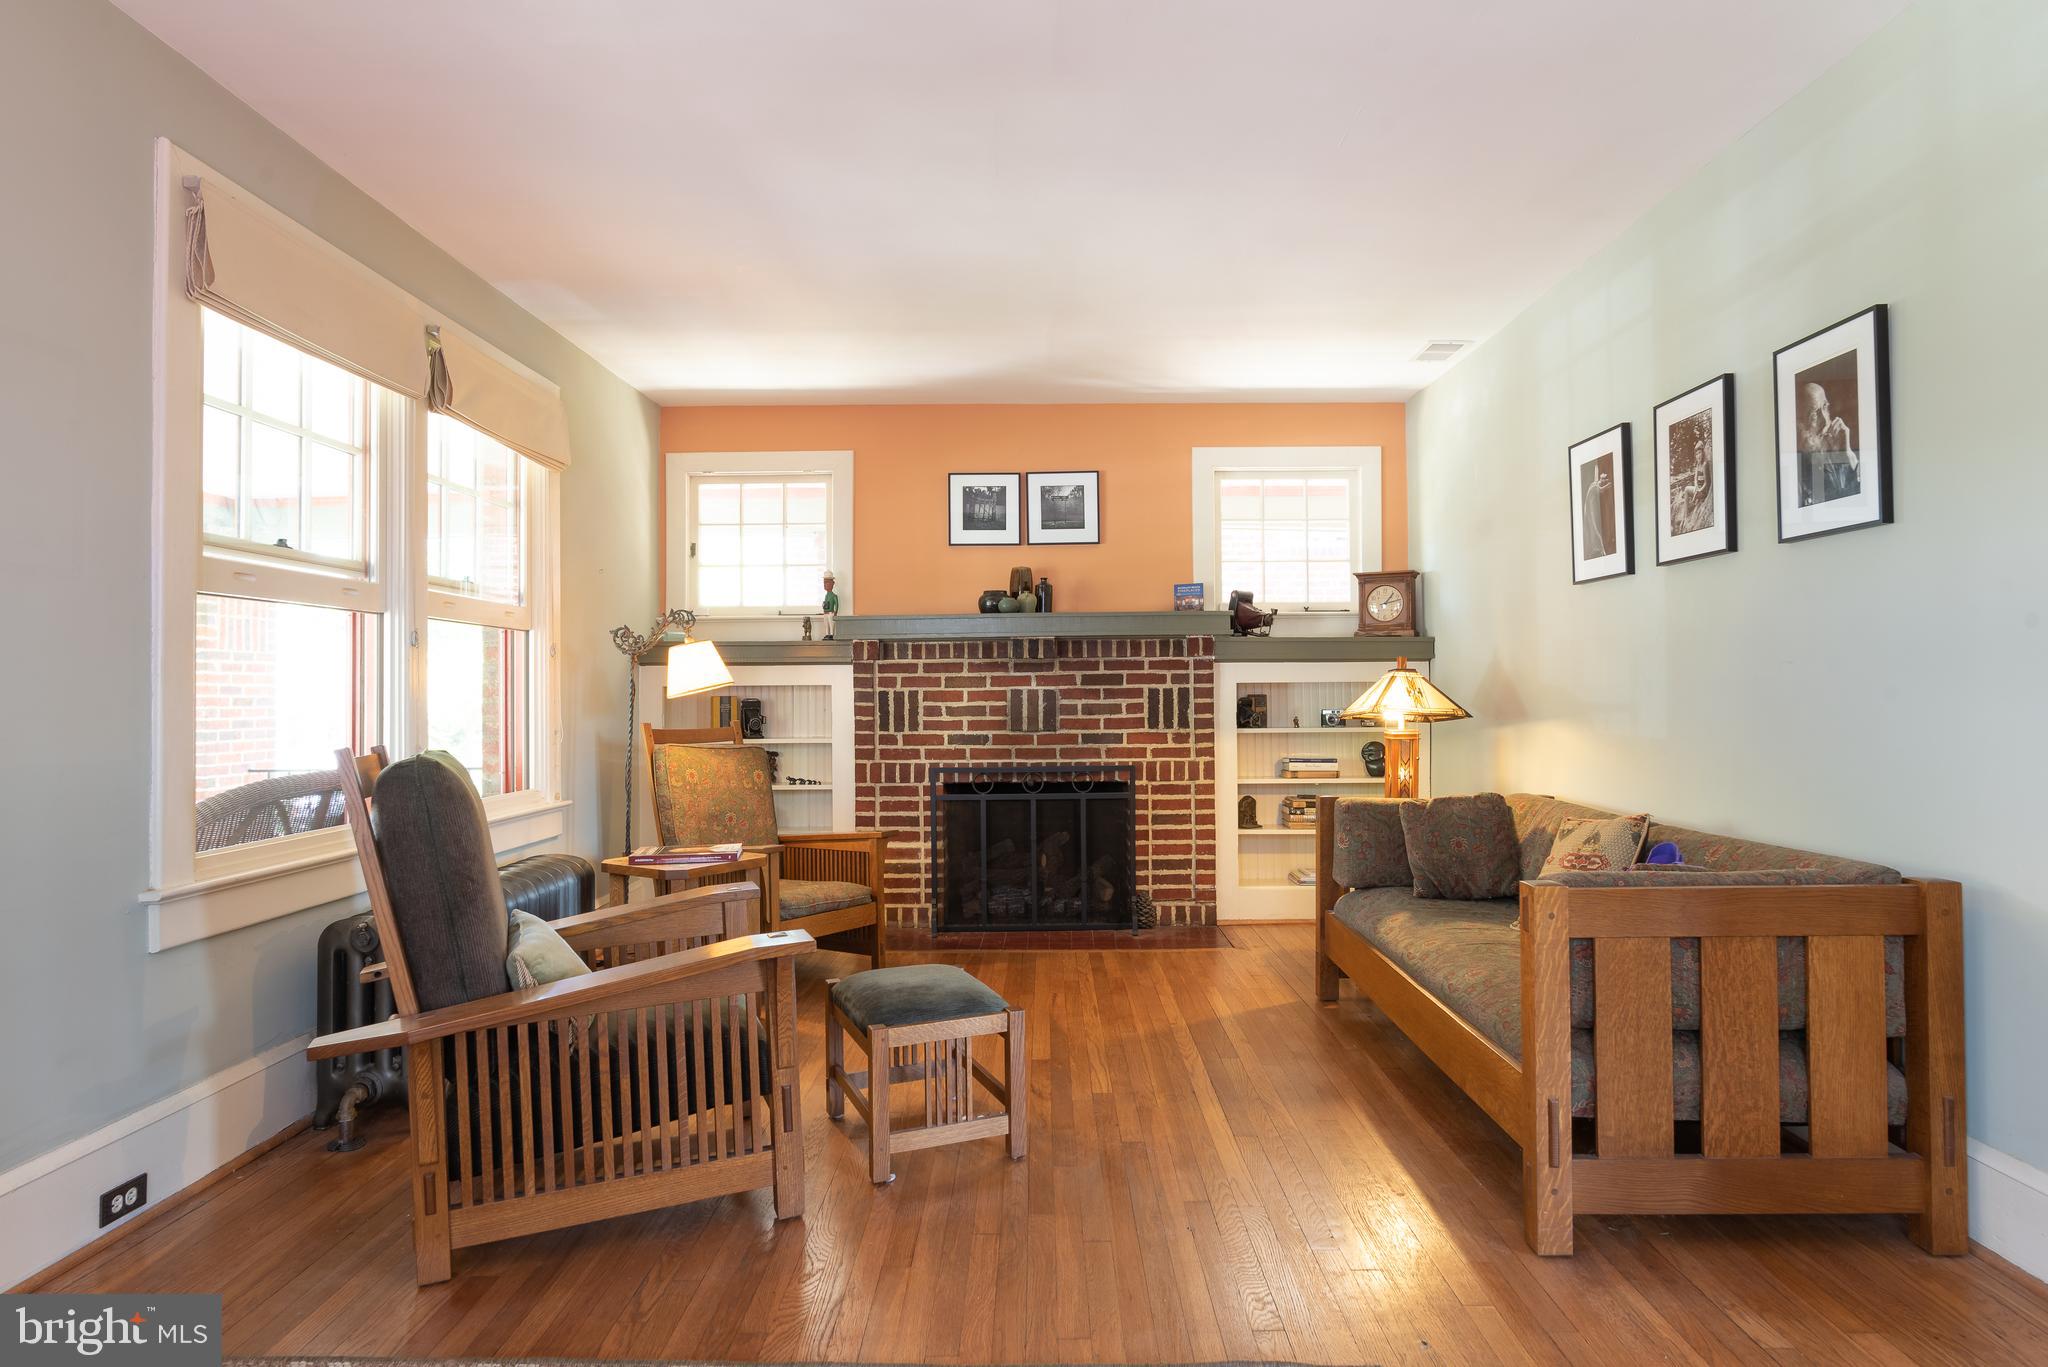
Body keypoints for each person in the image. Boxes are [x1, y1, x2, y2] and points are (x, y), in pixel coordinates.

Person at [1798, 381, 1860, 505]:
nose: (1825, 419)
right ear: (1799, 422)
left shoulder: (1830, 454)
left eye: (1825, 407)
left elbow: (1854, 503)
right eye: (1814, 413)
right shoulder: (1796, 467)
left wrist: (1846, 453)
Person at [1582, 465, 1612, 560]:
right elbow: (1601, 490)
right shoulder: (1595, 486)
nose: (1604, 481)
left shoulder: (1594, 485)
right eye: (1604, 480)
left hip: (1590, 510)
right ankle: (1600, 550)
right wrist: (1609, 485)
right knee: (1595, 528)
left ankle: (1600, 549)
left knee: (1595, 529)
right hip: (1590, 512)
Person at [820, 570, 840, 640]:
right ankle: (827, 634)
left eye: (827, 582)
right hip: (826, 613)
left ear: (833, 583)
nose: (825, 584)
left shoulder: (834, 596)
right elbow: (826, 603)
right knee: (826, 624)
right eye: (824, 582)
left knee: (831, 624)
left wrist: (835, 612)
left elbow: (836, 604)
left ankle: (831, 634)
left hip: (831, 613)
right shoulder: (826, 595)